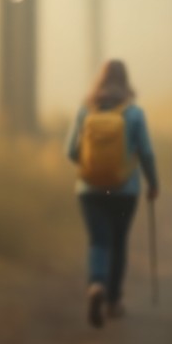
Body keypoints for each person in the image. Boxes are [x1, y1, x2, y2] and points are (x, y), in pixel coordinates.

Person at [66, 59, 159, 329]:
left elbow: (70, 151)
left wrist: (91, 166)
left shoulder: (85, 111)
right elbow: (147, 153)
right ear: (125, 81)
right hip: (124, 191)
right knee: (118, 242)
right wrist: (153, 183)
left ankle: (96, 284)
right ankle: (113, 301)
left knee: (98, 240)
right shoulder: (134, 113)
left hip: (90, 190)